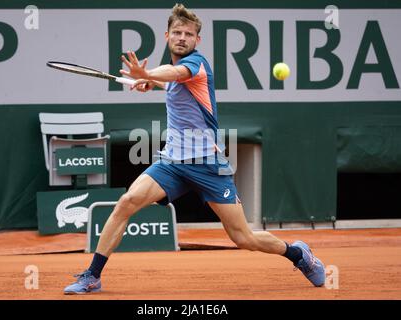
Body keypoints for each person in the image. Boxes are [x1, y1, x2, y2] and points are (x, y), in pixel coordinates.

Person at [64, 3, 325, 294]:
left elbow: (175, 73)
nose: (182, 38)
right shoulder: (176, 76)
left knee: (243, 238)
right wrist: (149, 83)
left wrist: (147, 73)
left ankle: (298, 254)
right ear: (167, 36)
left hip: (208, 165)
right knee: (126, 203)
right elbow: (172, 84)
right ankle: (93, 275)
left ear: (197, 40)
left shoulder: (197, 64)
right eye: (177, 32)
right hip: (173, 162)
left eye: (189, 34)